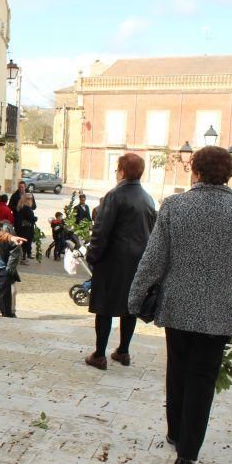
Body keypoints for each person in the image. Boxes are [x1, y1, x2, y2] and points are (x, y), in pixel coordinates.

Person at [129, 146, 232, 464]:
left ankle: (175, 432)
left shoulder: (175, 207)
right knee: (203, 379)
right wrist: (230, 278)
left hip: (178, 308)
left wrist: (135, 297)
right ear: (230, 173)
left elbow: (154, 259)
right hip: (220, 312)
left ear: (196, 170)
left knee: (177, 370)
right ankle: (188, 455)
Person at [84, 153, 156, 370]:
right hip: (137, 261)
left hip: (113, 261)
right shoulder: (147, 198)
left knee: (104, 308)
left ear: (122, 171)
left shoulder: (115, 195)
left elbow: (101, 229)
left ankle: (99, 354)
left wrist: (93, 255)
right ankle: (123, 351)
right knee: (129, 307)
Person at [0, 222, 25, 317]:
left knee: (4, 300)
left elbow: (16, 250)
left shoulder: (3, 232)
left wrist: (9, 268)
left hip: (1, 270)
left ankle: (6, 316)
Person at [15, 192, 37, 261]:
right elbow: (32, 219)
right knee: (25, 243)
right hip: (26, 229)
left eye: (31, 198)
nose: (31, 200)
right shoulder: (26, 208)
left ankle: (23, 257)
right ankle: (23, 258)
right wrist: (35, 218)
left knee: (22, 243)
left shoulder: (20, 206)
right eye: (29, 199)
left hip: (21, 228)